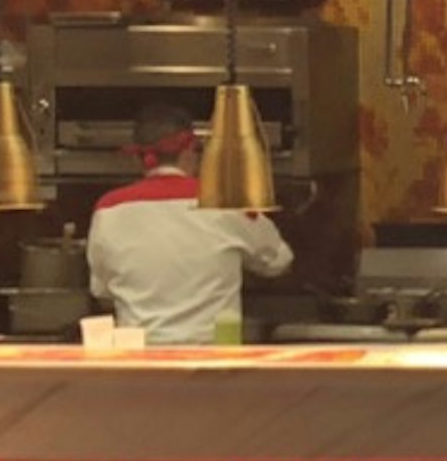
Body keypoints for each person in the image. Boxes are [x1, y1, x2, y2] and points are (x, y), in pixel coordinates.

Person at [84, 101, 292, 345]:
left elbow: (102, 291)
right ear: (190, 151)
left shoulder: (108, 210)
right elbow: (279, 261)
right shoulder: (225, 202)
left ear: (138, 159)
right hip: (214, 362)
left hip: (138, 362)